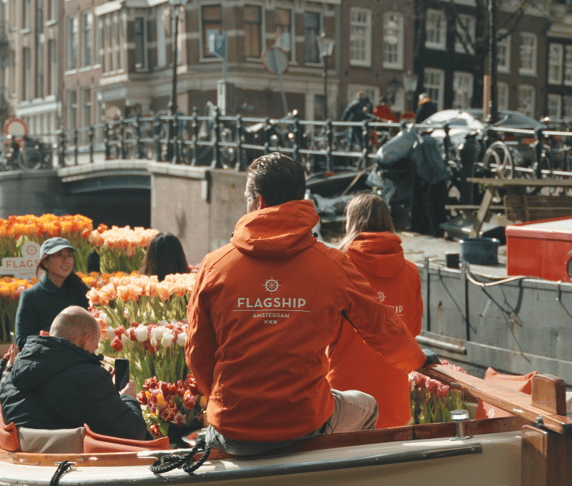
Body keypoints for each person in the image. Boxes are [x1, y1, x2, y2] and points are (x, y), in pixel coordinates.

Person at [185, 153, 435, 457]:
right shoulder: (332, 264)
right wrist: (417, 361)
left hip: (232, 428)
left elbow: (198, 355)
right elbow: (385, 331)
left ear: (258, 203)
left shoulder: (215, 265)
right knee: (368, 406)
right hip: (303, 423)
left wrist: (229, 404)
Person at [328, 194, 423, 428]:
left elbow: (324, 334)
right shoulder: (410, 272)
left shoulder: (339, 268)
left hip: (346, 403)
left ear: (351, 223)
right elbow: (413, 330)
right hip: (394, 403)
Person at [0, 306, 149, 440]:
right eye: (95, 348)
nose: (95, 354)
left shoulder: (12, 377)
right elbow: (135, 431)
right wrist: (127, 398)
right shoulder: (89, 380)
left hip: (27, 466)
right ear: (83, 341)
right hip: (78, 467)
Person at [14, 237, 90, 350]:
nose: (66, 260)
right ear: (45, 262)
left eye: (69, 255)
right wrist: (50, 335)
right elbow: (22, 339)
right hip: (46, 359)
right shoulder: (31, 296)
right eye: (59, 255)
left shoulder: (81, 290)